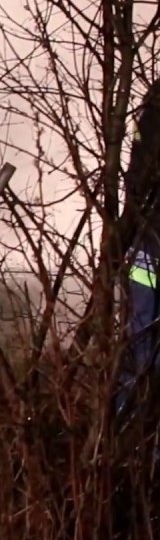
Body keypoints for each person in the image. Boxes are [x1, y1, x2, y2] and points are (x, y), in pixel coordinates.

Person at [117, 79, 160, 426]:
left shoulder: (155, 100)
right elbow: (138, 172)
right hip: (149, 235)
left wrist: (126, 229)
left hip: (148, 235)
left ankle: (125, 430)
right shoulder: (156, 101)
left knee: (139, 334)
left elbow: (137, 174)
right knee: (140, 334)